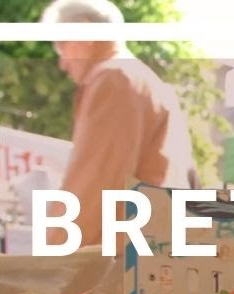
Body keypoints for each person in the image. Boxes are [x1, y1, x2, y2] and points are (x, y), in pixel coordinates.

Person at [42, 0, 194, 252]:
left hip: (121, 266)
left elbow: (93, 185)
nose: (62, 63)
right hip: (151, 257)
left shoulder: (114, 79)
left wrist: (47, 262)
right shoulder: (141, 79)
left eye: (61, 47)